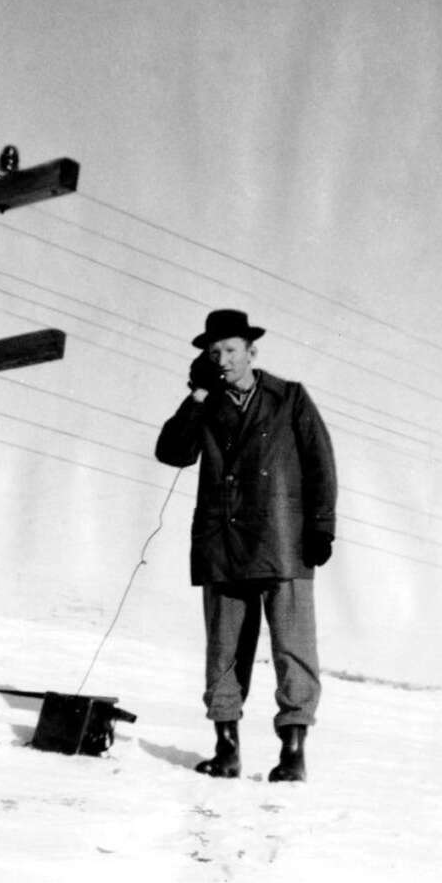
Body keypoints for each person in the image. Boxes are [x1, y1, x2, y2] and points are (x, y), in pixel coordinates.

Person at [155, 308, 337, 782]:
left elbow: (321, 461)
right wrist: (194, 395)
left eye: (231, 350)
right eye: (213, 353)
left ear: (251, 352)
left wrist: (321, 526)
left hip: (283, 539)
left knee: (293, 647)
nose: (223, 359)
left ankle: (293, 753)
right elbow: (173, 453)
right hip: (224, 541)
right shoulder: (205, 402)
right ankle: (227, 750)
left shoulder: (290, 397)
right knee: (225, 649)